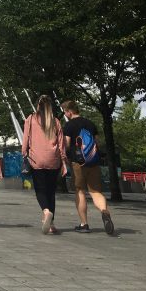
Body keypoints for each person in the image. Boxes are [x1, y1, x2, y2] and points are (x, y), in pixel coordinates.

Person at [61, 99, 115, 235]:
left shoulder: (69, 126)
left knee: (80, 191)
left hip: (78, 163)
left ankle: (84, 224)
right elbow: (96, 142)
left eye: (65, 112)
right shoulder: (90, 123)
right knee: (96, 192)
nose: (65, 114)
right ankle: (104, 211)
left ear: (69, 111)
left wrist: (65, 156)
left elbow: (66, 144)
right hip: (93, 162)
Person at [22, 94, 68, 235]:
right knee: (50, 192)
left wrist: (24, 154)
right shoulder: (56, 121)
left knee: (40, 190)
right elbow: (61, 144)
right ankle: (51, 224)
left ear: (37, 106)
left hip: (37, 159)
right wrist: (64, 162)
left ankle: (46, 212)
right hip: (53, 160)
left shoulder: (31, 119)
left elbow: (25, 141)